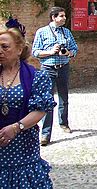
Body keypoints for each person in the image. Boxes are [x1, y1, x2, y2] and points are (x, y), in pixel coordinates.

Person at [0, 28, 56, 188]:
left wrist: (16, 127)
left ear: (19, 49)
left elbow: (40, 110)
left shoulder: (36, 77)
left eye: (5, 47)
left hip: (23, 148)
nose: (0, 51)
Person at [31, 7, 78, 146]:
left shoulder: (66, 32)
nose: (64, 18)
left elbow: (75, 48)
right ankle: (45, 134)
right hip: (48, 69)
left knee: (64, 97)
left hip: (63, 67)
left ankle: (64, 123)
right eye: (61, 16)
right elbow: (35, 52)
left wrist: (69, 53)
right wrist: (51, 52)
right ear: (53, 17)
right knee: (47, 100)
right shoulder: (42, 32)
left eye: (64, 16)